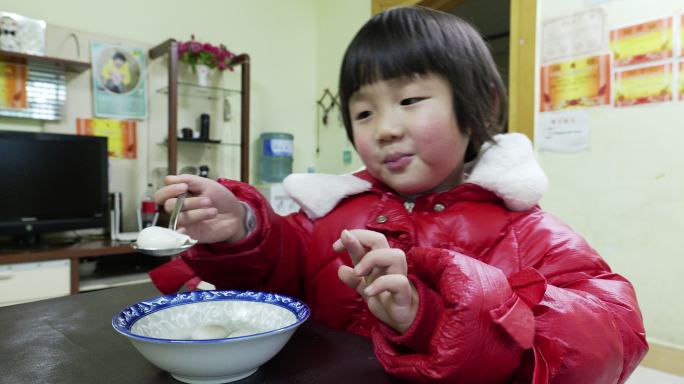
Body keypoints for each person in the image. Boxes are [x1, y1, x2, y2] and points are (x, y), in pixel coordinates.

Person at [150, 6, 647, 383]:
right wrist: (240, 226)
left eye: (409, 100)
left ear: (479, 106)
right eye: (364, 113)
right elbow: (279, 271)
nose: (385, 129)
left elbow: (612, 336)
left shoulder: (529, 230)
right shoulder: (332, 213)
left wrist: (441, 313)